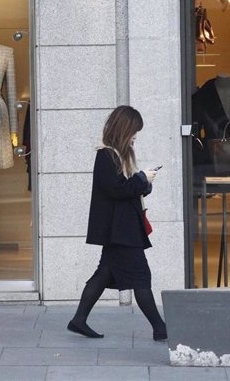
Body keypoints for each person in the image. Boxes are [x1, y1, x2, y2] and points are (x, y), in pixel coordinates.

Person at [67, 105, 167, 341]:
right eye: (134, 131)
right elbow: (117, 190)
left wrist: (145, 182)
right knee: (141, 277)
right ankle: (160, 328)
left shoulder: (117, 155)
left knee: (104, 274)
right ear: (124, 130)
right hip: (120, 231)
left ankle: (79, 320)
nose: (135, 137)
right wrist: (142, 179)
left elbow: (126, 191)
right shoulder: (106, 155)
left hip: (121, 229)